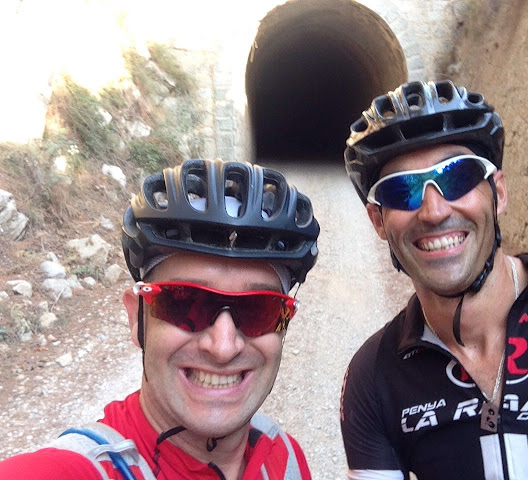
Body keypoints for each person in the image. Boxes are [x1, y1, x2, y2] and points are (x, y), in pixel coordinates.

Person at [339, 80, 528, 479]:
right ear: (378, 221)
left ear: (498, 192)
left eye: (457, 177)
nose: (434, 211)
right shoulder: (374, 377)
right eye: (402, 191)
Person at [0, 158, 320, 479]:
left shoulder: (286, 457)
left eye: (261, 308)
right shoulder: (74, 470)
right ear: (136, 317)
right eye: (184, 302)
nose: (223, 348)